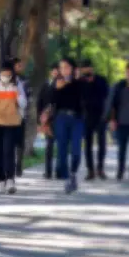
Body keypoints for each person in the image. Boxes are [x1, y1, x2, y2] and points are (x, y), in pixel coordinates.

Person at [0, 60, 27, 194]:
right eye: (4, 74)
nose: (6, 77)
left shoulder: (17, 84)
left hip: (11, 124)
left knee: (9, 151)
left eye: (9, 75)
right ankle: (0, 180)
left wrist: (17, 94)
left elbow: (24, 104)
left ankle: (10, 180)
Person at [48, 57, 87, 193]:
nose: (63, 70)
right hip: (61, 119)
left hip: (76, 119)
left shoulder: (80, 83)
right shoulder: (56, 83)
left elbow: (86, 97)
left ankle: (73, 173)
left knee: (76, 150)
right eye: (61, 67)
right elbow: (51, 101)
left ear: (72, 68)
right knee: (62, 149)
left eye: (66, 67)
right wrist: (56, 89)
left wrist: (78, 81)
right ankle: (66, 178)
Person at [79, 59, 110, 181]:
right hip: (86, 116)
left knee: (102, 143)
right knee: (88, 145)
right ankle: (90, 170)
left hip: (100, 116)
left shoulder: (101, 80)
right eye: (84, 68)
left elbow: (107, 96)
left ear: (92, 69)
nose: (87, 70)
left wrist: (108, 116)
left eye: (89, 68)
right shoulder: (80, 82)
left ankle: (100, 168)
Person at [37, 66, 60, 179]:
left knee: (61, 146)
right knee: (49, 146)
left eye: (57, 71)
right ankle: (48, 171)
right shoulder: (45, 85)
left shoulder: (64, 85)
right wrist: (40, 119)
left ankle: (60, 170)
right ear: (51, 72)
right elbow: (39, 102)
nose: (55, 73)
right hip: (47, 121)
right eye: (54, 71)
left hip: (60, 120)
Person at [12, 58, 31, 177]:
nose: (20, 68)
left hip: (20, 115)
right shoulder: (5, 79)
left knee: (19, 142)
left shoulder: (24, 80)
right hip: (6, 115)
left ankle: (18, 165)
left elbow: (29, 96)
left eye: (21, 65)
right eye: (18, 65)